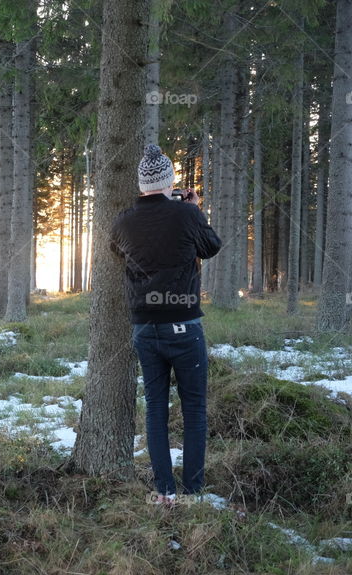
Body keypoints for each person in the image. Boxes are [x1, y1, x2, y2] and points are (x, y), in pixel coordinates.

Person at [111, 143, 222, 506]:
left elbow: (116, 249)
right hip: (184, 326)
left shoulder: (124, 220)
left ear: (141, 185)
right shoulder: (186, 215)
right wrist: (193, 210)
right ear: (169, 181)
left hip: (144, 328)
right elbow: (211, 247)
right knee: (193, 410)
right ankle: (192, 492)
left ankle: (164, 491)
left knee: (155, 408)